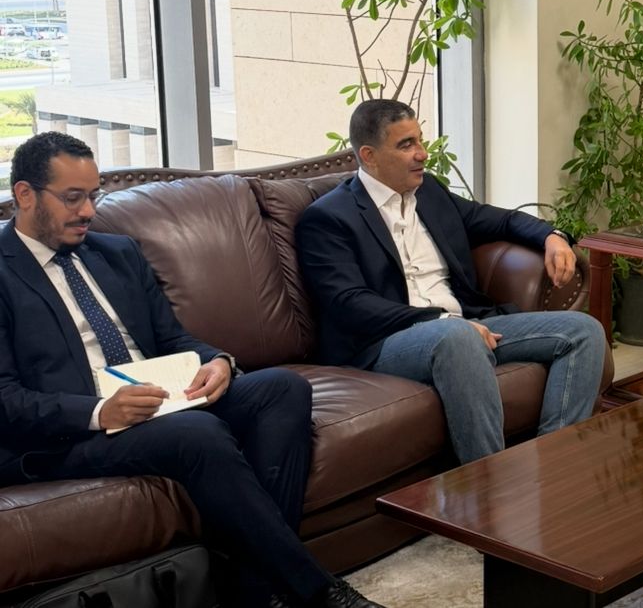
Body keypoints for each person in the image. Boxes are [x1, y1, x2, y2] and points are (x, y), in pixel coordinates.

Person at [0, 132, 383, 608]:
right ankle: (318, 592)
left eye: (93, 196)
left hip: (159, 403)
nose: (88, 211)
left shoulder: (117, 253)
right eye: (73, 198)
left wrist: (217, 361)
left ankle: (255, 589)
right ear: (25, 194)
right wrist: (100, 412)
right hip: (70, 435)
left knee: (282, 389)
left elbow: (172, 339)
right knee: (197, 433)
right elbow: (6, 398)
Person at [296, 99, 607, 465]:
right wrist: (441, 321)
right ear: (369, 155)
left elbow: (500, 220)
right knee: (456, 337)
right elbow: (349, 303)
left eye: (420, 140)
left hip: (466, 326)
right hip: (385, 343)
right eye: (406, 145)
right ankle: (493, 481)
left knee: (584, 331)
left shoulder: (429, 192)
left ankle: (554, 468)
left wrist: (553, 236)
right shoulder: (329, 218)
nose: (422, 154)